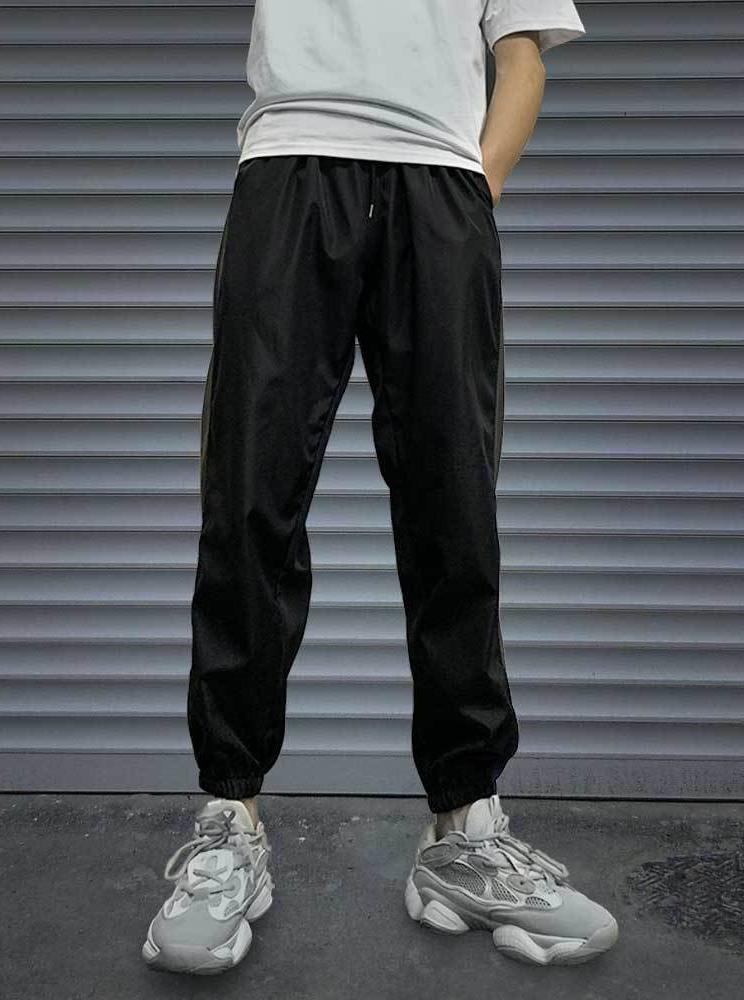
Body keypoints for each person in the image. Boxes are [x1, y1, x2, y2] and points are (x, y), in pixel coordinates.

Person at [142, 0, 619, 975]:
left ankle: (464, 831)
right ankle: (229, 821)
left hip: (440, 182)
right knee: (250, 500)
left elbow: (521, 58)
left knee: (455, 510)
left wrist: (473, 190)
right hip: (289, 166)